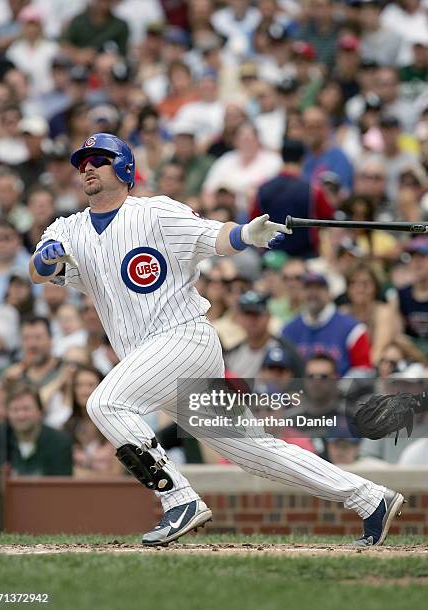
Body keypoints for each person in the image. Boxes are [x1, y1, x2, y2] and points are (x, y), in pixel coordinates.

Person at [28, 132, 403, 548]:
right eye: (82, 162)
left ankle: (179, 500)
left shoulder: (155, 213)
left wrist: (247, 234)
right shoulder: (70, 227)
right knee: (257, 452)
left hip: (183, 340)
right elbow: (39, 270)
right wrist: (45, 257)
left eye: (98, 159)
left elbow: (213, 235)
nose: (88, 167)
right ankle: (372, 499)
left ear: (124, 167)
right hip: (151, 363)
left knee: (105, 402)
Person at [282, 272, 372, 375]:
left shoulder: (353, 329)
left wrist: (342, 388)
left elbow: (364, 369)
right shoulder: (288, 331)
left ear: (329, 293)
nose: (312, 293)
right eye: (307, 288)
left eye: (318, 288)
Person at [0, 382, 73, 475]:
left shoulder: (60, 441)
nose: (21, 415)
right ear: (7, 413)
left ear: (40, 411)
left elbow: (60, 485)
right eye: (15, 409)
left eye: (26, 409)